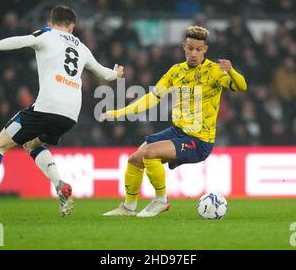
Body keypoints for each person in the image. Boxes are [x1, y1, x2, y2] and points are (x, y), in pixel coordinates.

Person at [0, 5, 124, 217]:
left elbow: (20, 41)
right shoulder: (82, 47)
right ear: (73, 26)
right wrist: (117, 73)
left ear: (51, 22)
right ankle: (60, 185)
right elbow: (104, 74)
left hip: (47, 108)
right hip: (69, 116)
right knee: (32, 143)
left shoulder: (46, 34)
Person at [100, 26, 247, 217]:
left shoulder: (214, 71)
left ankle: (161, 201)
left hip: (199, 140)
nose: (194, 53)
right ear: (184, 47)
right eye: (190, 48)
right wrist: (120, 112)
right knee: (135, 159)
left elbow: (241, 86)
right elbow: (152, 98)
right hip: (177, 131)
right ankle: (128, 207)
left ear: (205, 50)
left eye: (198, 49)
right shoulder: (176, 71)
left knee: (150, 153)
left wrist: (232, 71)